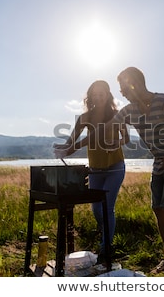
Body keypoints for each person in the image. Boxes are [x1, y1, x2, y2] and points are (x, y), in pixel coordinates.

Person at [107, 66, 164, 273]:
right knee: (158, 209)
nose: (122, 93)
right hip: (159, 161)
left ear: (135, 84)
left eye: (123, 88)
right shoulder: (130, 110)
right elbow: (111, 125)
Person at [53, 80, 129, 263]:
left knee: (107, 207)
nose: (98, 95)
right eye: (95, 93)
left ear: (108, 94)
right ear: (91, 96)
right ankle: (106, 238)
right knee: (96, 209)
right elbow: (72, 142)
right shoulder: (84, 118)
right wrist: (61, 149)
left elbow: (125, 138)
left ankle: (105, 250)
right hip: (95, 169)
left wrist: (115, 143)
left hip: (115, 167)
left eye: (102, 92)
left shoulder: (117, 115)